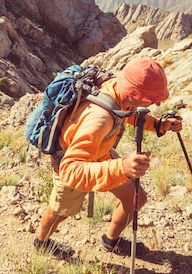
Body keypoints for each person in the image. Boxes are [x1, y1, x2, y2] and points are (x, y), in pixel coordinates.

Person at [33, 57, 183, 259]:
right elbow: (70, 170)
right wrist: (121, 167)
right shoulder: (98, 120)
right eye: (151, 99)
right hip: (73, 164)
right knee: (60, 211)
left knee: (135, 200)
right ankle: (42, 242)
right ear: (133, 92)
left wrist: (159, 125)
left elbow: (127, 113)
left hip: (101, 155)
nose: (156, 103)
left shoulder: (117, 89)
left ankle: (111, 241)